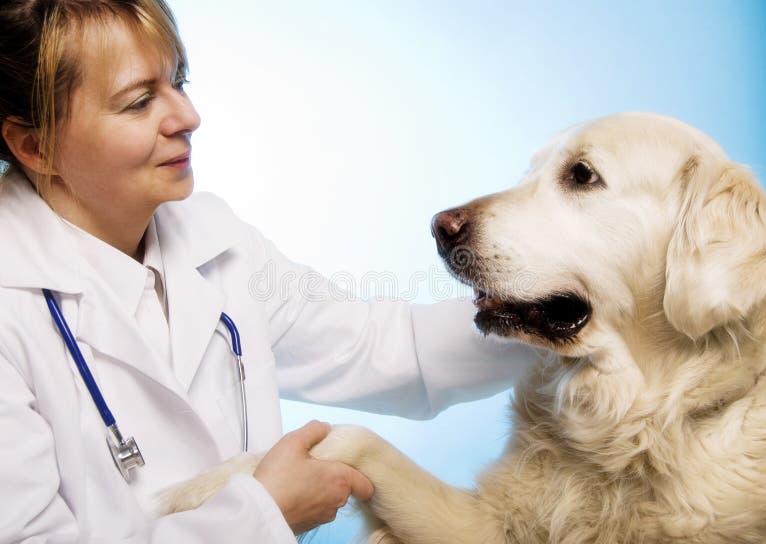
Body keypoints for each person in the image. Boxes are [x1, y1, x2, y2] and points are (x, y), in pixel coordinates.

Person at [0, 1, 539, 542]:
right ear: (35, 145)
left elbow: (389, 348)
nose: (188, 117)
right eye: (139, 102)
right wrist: (262, 515)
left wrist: (552, 311)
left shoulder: (213, 236)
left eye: (178, 82)